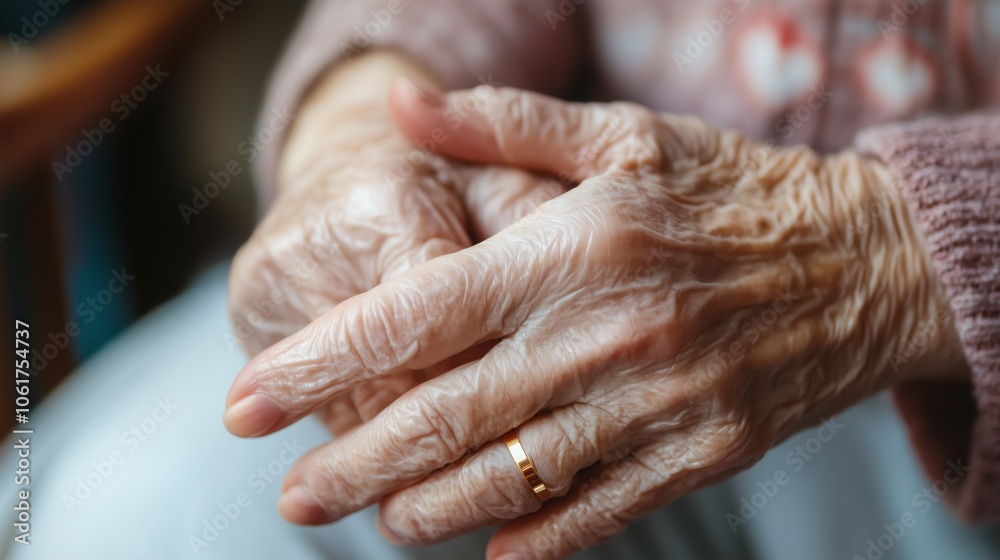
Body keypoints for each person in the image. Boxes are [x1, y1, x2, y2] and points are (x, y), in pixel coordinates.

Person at [222, 0, 1000, 558]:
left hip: (954, 392)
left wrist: (886, 249)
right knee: (178, 513)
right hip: (578, 295)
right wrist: (358, 134)